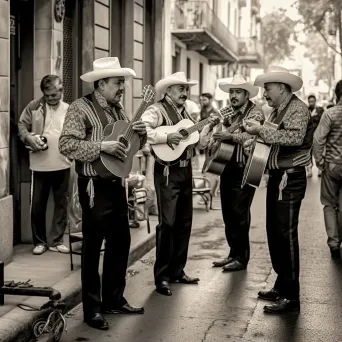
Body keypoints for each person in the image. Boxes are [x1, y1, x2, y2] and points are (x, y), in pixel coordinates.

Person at [59, 57, 146, 330]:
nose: (122, 87)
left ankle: (114, 299)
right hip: (93, 187)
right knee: (93, 248)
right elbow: (66, 144)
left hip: (116, 186)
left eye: (122, 82)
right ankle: (92, 309)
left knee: (120, 243)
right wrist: (101, 147)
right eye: (118, 82)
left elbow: (128, 147)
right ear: (102, 83)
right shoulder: (79, 108)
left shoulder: (120, 111)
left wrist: (140, 135)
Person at [243, 66, 313, 314]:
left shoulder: (298, 109)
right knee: (274, 232)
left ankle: (292, 297)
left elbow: (293, 138)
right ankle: (281, 285)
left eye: (267, 88)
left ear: (281, 88)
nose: (264, 94)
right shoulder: (276, 111)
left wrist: (259, 129)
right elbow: (270, 139)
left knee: (287, 235)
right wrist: (249, 137)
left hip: (289, 179)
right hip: (276, 176)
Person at [141, 72, 200, 296]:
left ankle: (177, 270)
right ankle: (162, 276)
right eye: (180, 88)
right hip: (166, 171)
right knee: (167, 224)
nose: (185, 92)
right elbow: (141, 129)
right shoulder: (156, 110)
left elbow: (192, 140)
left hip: (185, 170)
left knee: (184, 221)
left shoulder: (186, 112)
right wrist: (166, 138)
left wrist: (205, 128)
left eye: (186, 88)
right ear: (168, 91)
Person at [199, 75, 264, 272]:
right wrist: (211, 125)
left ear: (246, 94)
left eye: (237, 92)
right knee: (228, 213)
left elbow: (255, 134)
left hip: (245, 168)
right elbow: (214, 132)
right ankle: (233, 253)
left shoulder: (255, 112)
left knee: (240, 214)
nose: (233, 96)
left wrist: (231, 136)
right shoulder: (227, 111)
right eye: (231, 92)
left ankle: (241, 257)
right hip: (226, 166)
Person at [18, 75, 71, 255]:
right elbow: (22, 125)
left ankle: (57, 241)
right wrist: (28, 137)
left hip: (63, 163)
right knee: (37, 204)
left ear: (61, 91)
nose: (50, 99)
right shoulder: (34, 106)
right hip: (39, 164)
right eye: (47, 95)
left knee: (61, 203)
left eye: (54, 95)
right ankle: (39, 241)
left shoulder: (69, 110)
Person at [313, 80, 342, 259]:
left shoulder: (330, 114)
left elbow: (318, 139)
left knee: (329, 205)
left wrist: (320, 161)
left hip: (332, 165)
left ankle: (334, 243)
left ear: (337, 94)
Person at [306, 94, 324, 177]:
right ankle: (309, 169)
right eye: (309, 101)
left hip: (318, 135)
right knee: (308, 153)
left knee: (318, 152)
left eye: (312, 101)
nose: (311, 103)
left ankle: (320, 169)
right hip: (308, 136)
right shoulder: (306, 110)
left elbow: (322, 121)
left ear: (315, 101)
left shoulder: (320, 110)